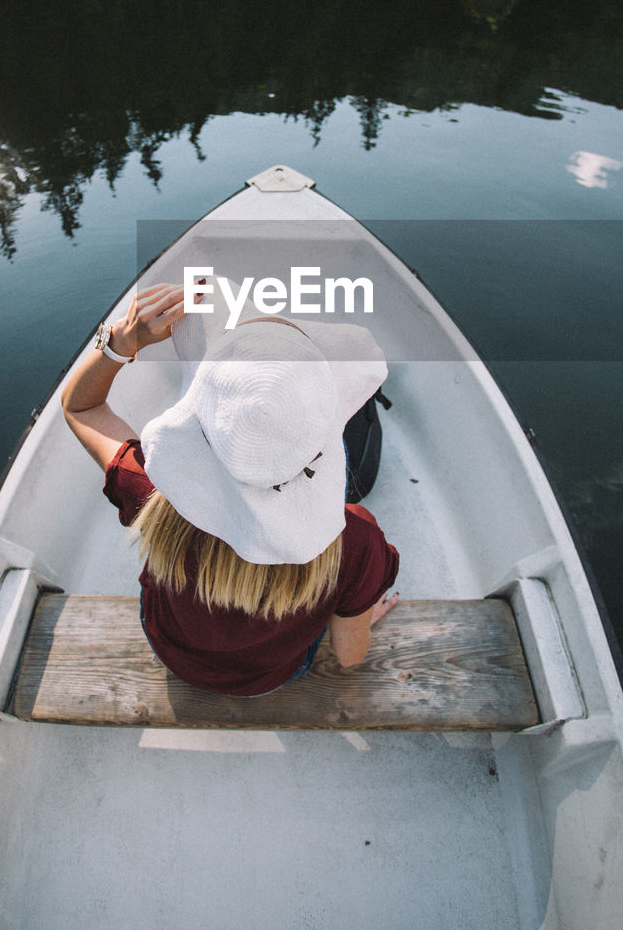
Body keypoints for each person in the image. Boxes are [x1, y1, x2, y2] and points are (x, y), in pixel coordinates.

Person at [61, 280, 399, 697]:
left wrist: (120, 342)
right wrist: (357, 612)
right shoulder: (357, 541)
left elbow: (81, 407)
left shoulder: (152, 491)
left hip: (171, 650)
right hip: (274, 675)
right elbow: (349, 656)